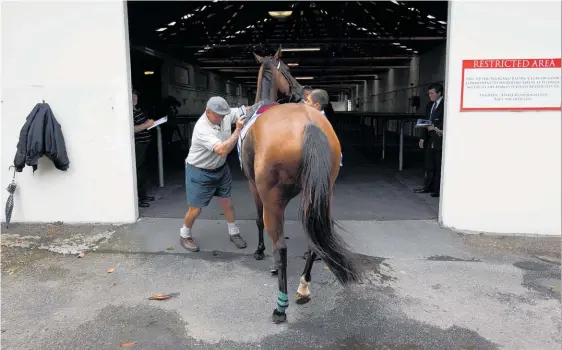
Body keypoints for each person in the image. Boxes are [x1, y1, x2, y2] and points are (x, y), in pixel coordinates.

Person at [180, 96, 250, 252]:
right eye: (219, 116)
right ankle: (185, 235)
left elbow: (245, 109)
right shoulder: (202, 128)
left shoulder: (223, 114)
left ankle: (234, 233)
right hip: (200, 171)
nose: (223, 118)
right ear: (208, 112)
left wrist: (263, 106)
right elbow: (222, 150)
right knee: (195, 209)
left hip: (221, 169)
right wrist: (238, 130)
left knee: (227, 203)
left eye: (225, 115)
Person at [414, 83, 445, 197]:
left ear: (439, 93)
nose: (430, 96)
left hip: (439, 137)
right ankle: (428, 187)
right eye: (429, 93)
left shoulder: (446, 105)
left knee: (438, 165)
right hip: (429, 137)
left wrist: (437, 128)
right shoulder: (430, 105)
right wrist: (422, 137)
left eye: (432, 93)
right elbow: (426, 120)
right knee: (429, 164)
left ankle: (437, 190)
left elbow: (446, 120)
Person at [305, 89, 343, 167]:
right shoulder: (324, 119)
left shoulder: (318, 122)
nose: (305, 103)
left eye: (308, 101)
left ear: (316, 105)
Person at [132, 89, 155, 208]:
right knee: (138, 171)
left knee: (143, 171)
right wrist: (147, 125)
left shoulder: (137, 110)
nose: (134, 98)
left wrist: (150, 123)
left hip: (144, 144)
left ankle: (143, 195)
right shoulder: (129, 112)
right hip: (138, 144)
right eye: (132, 97)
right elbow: (133, 129)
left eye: (135, 96)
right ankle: (139, 199)